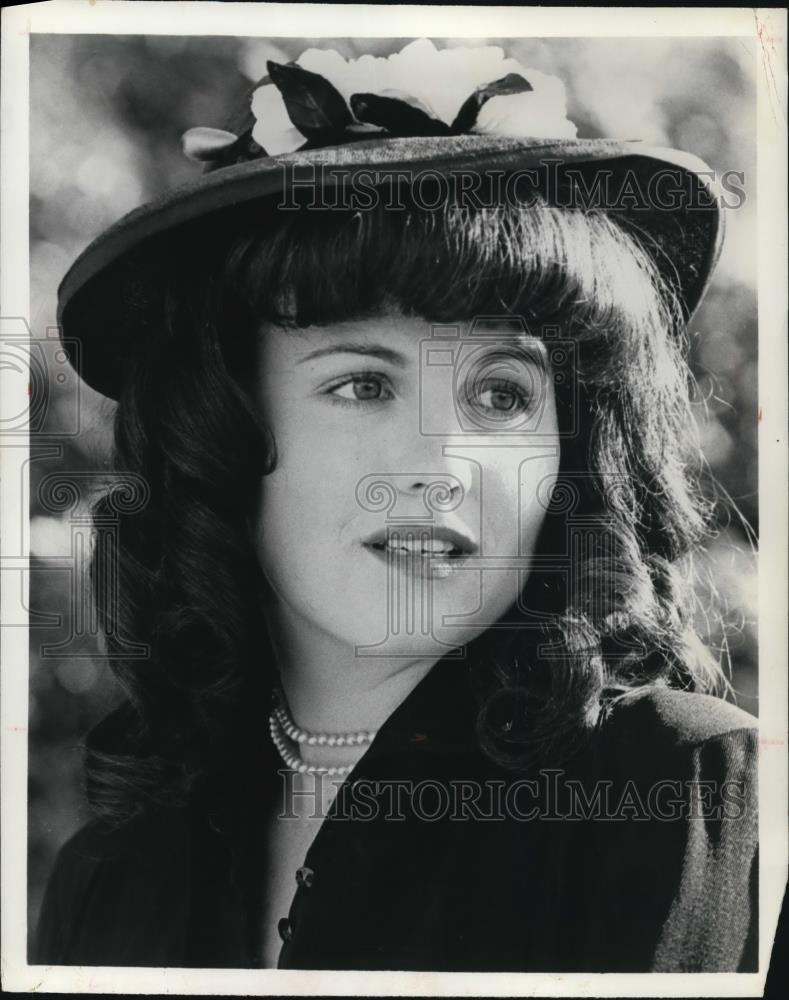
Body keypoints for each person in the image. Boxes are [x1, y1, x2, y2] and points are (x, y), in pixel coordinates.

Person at [34, 39, 757, 972]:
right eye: (362, 386)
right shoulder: (112, 871)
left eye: (502, 395)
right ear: (219, 435)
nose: (441, 463)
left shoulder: (683, 788)